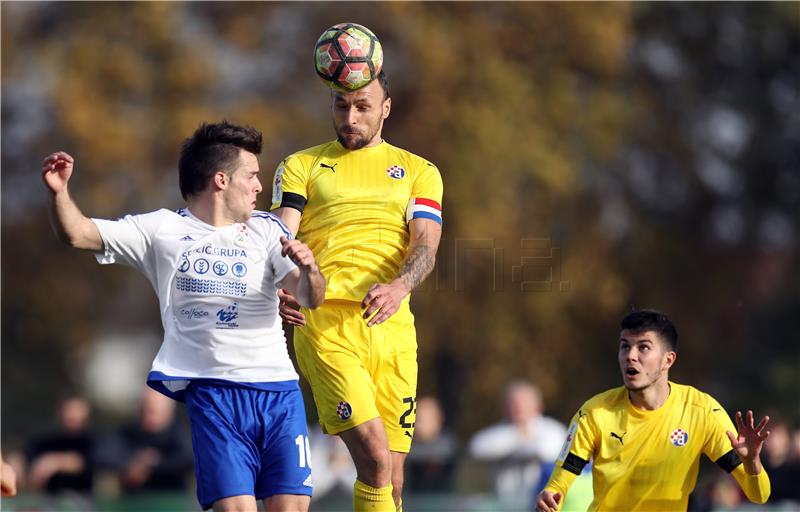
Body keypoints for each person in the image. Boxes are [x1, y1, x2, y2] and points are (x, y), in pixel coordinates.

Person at [42, 120, 326, 512]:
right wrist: (59, 193)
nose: (259, 187)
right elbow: (78, 233)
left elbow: (310, 297)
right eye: (252, 176)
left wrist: (310, 270)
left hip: (279, 394)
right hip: (216, 398)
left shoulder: (267, 231)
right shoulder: (161, 230)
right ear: (221, 180)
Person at [271, 67, 443, 512]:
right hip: (325, 324)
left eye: (362, 107)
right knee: (374, 461)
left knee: (394, 480)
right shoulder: (300, 165)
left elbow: (425, 245)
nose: (350, 117)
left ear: (386, 109)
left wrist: (399, 286)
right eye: (341, 105)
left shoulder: (420, 171)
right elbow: (279, 238)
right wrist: (280, 287)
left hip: (392, 327)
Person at [535, 309, 771, 512]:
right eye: (625, 346)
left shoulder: (701, 411)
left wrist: (752, 462)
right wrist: (550, 497)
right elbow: (557, 486)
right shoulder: (595, 412)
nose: (630, 356)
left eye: (643, 347)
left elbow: (759, 495)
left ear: (668, 360)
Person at [468, 380, 566, 509]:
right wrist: (519, 437)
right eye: (513, 404)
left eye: (523, 403)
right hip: (504, 505)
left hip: (541, 505)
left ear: (537, 406)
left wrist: (511, 447)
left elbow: (546, 451)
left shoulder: (552, 430)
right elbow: (477, 448)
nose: (518, 408)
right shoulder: (503, 431)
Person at [98, 388, 194, 493]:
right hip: (133, 499)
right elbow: (101, 455)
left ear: (168, 413)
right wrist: (131, 465)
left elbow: (189, 457)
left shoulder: (179, 434)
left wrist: (154, 464)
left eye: (152, 412)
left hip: (172, 498)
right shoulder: (128, 432)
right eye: (143, 410)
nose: (146, 416)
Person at [25, 396, 95, 494]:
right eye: (70, 410)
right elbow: (26, 453)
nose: (73, 415)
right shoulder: (49, 440)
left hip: (81, 497)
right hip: (49, 497)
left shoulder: (92, 440)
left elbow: (86, 460)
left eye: (77, 411)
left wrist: (54, 462)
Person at [405, 395, 457, 493]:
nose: (417, 425)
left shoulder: (449, 445)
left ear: (438, 419)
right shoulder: (407, 445)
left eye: (422, 420)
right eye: (415, 419)